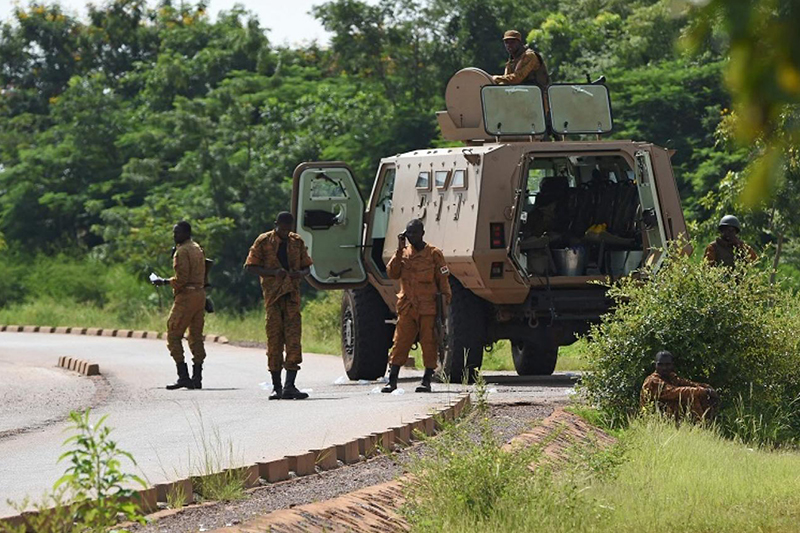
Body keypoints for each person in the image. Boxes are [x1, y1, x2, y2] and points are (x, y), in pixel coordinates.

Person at [245, 212, 313, 400]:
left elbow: (307, 266)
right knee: (274, 341)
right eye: (282, 228)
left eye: (288, 228)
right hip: (273, 298)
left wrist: (300, 274)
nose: (285, 231)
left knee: (293, 341)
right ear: (276, 225)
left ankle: (290, 385)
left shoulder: (296, 242)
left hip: (291, 298)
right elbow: (250, 266)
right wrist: (273, 273)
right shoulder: (264, 241)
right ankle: (277, 387)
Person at [382, 219, 452, 394]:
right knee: (400, 342)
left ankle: (426, 380)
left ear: (422, 233)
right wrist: (399, 248)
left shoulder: (434, 254)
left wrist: (445, 303)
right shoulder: (403, 254)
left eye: (414, 233)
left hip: (428, 308)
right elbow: (392, 273)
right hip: (407, 307)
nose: (411, 236)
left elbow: (443, 282)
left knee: (429, 343)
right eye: (409, 233)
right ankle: (392, 381)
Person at [151, 221, 207, 390]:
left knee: (173, 333)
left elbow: (181, 279)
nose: (174, 236)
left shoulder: (182, 251)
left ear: (185, 233)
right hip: (200, 294)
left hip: (187, 297)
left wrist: (164, 281)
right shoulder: (197, 248)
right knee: (195, 336)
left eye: (177, 233)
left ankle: (183, 375)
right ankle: (197, 377)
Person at [640, 351, 719, 420]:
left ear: (672, 365)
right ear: (655, 365)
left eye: (667, 365)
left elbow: (686, 383)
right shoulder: (652, 381)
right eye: (660, 365)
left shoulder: (670, 377)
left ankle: (705, 424)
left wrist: (706, 387)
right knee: (691, 396)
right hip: (655, 417)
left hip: (669, 415)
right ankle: (700, 425)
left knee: (697, 395)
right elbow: (673, 392)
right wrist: (703, 391)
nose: (664, 368)